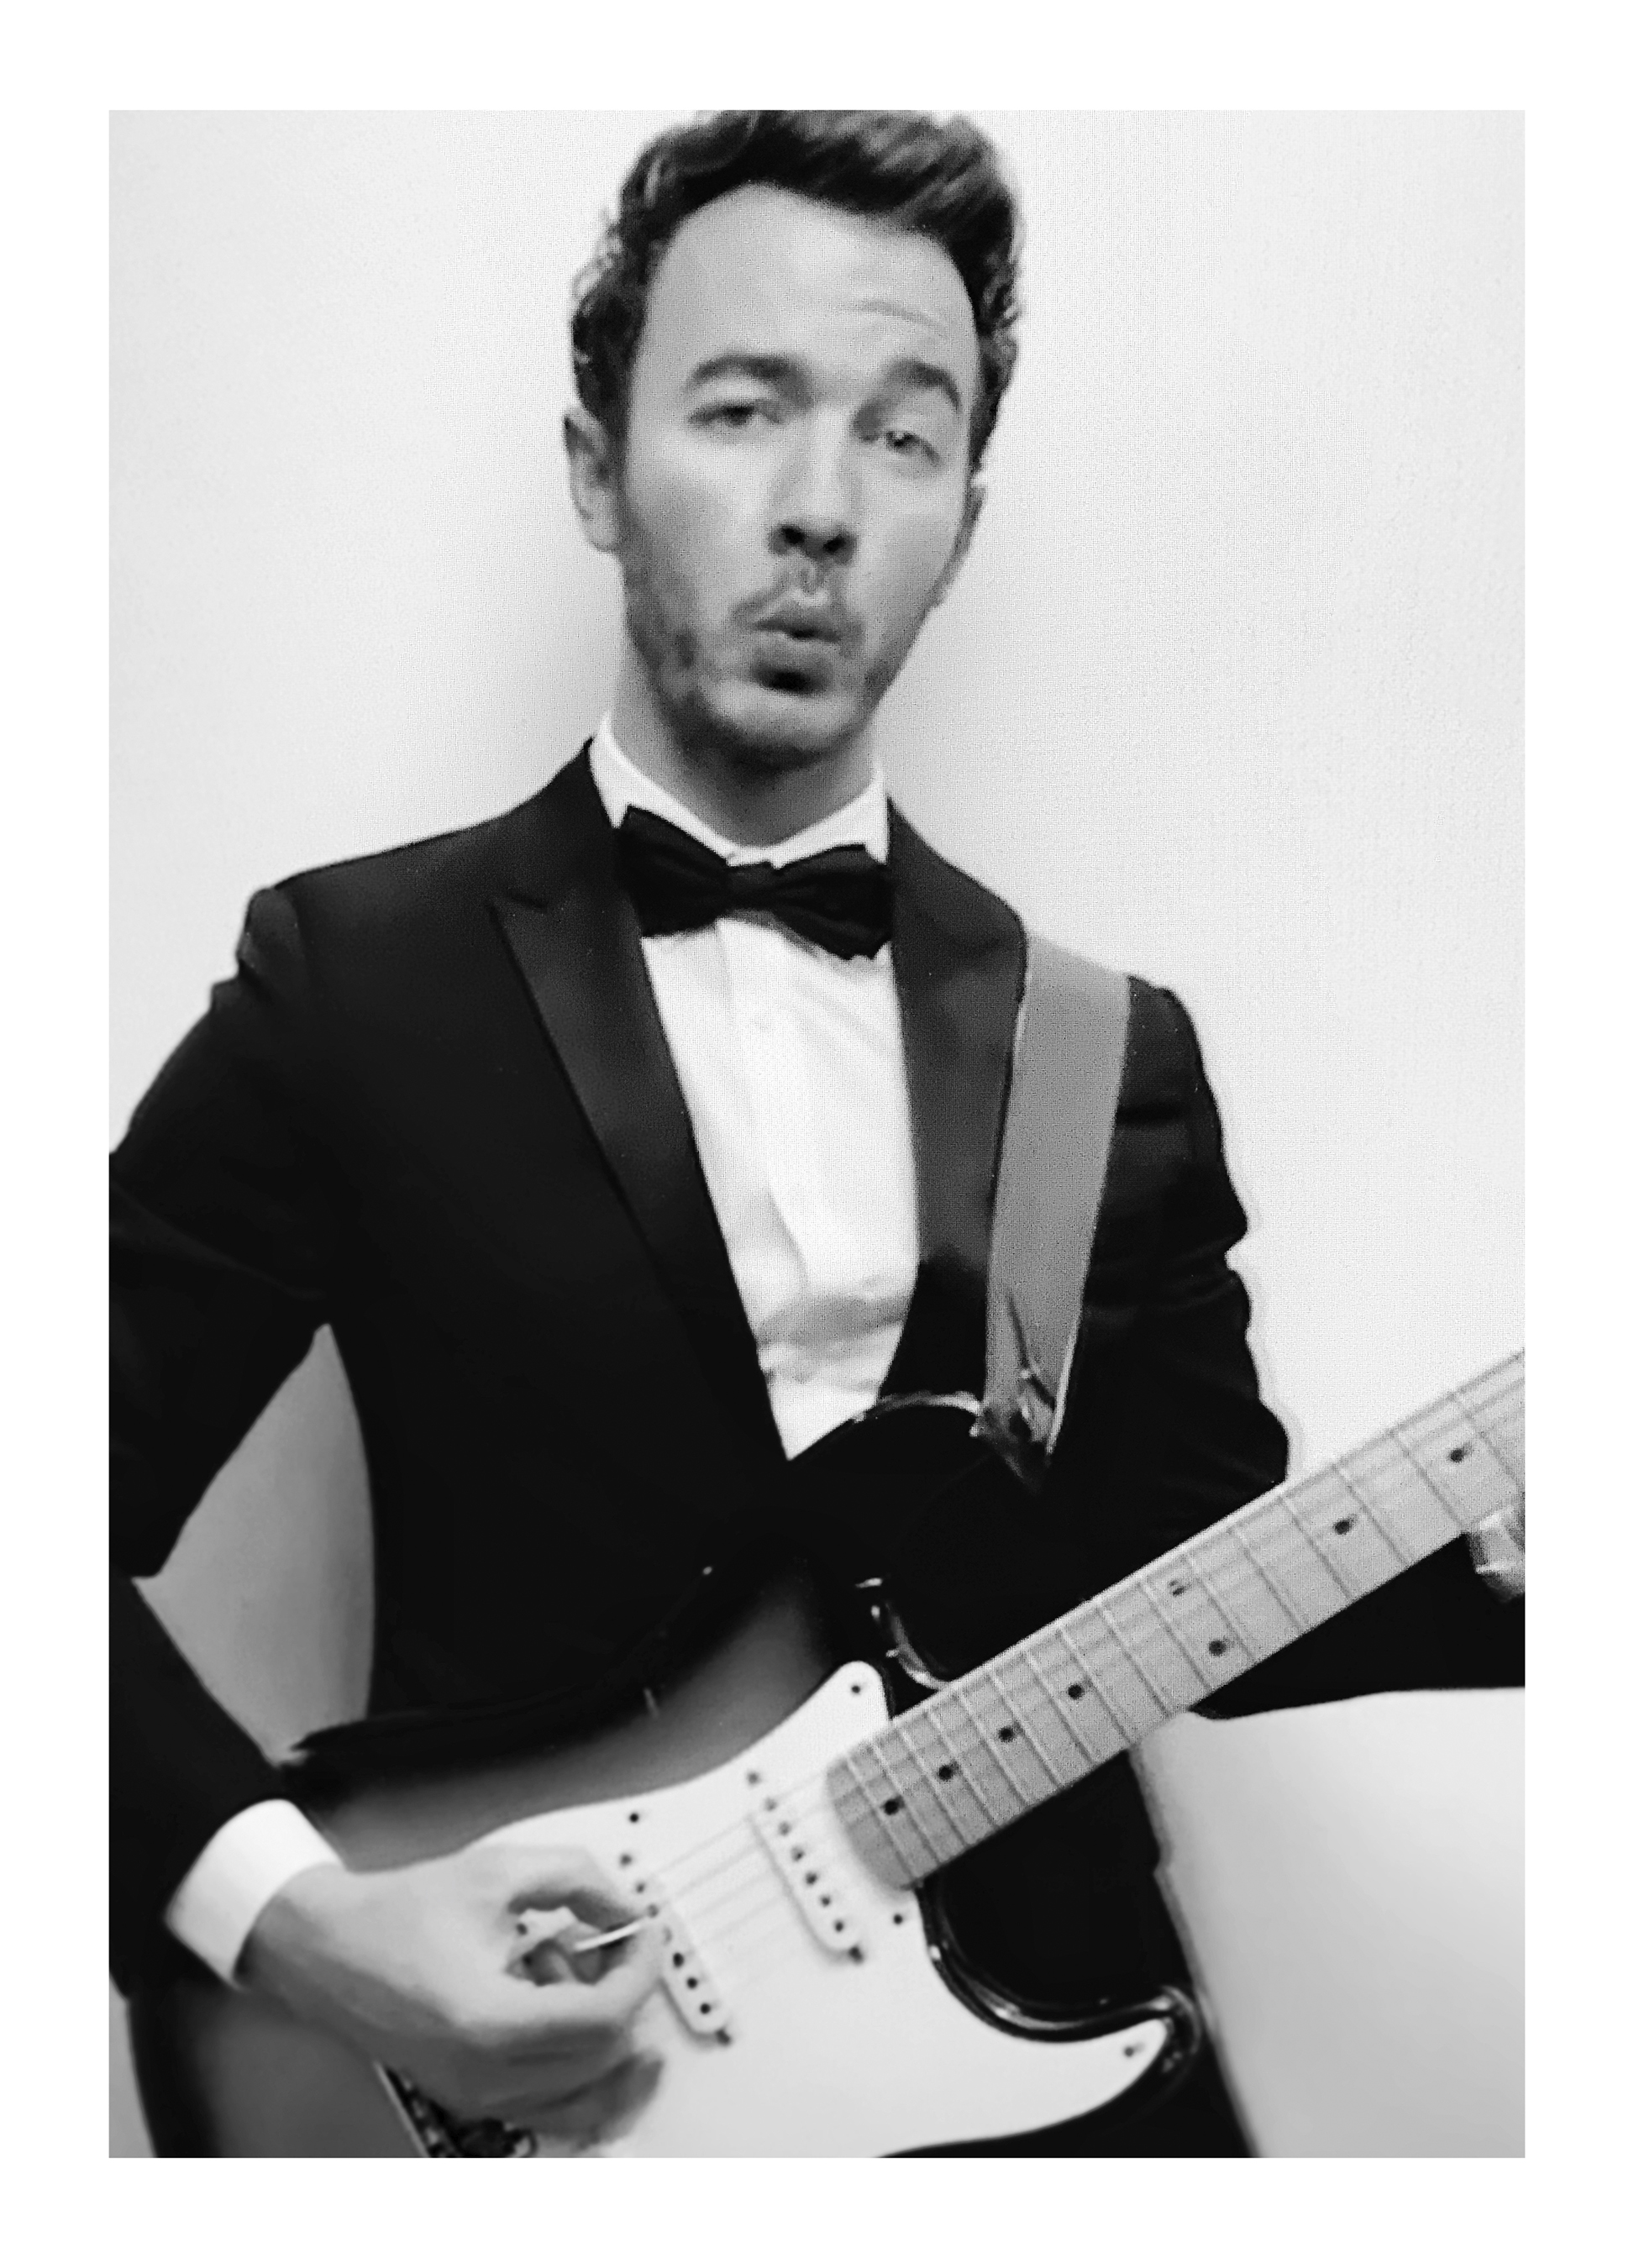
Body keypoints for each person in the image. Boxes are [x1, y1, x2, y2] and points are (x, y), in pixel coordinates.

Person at [112, 110, 1522, 2157]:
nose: (819, 507)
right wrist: (302, 1924)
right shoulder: (358, 981)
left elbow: (1194, 1599)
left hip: (1057, 2061)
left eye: (902, 434)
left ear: (963, 511)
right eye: (742, 410)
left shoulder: (1103, 1053)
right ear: (594, 469)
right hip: (553, 2081)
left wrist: (1521, 1563)